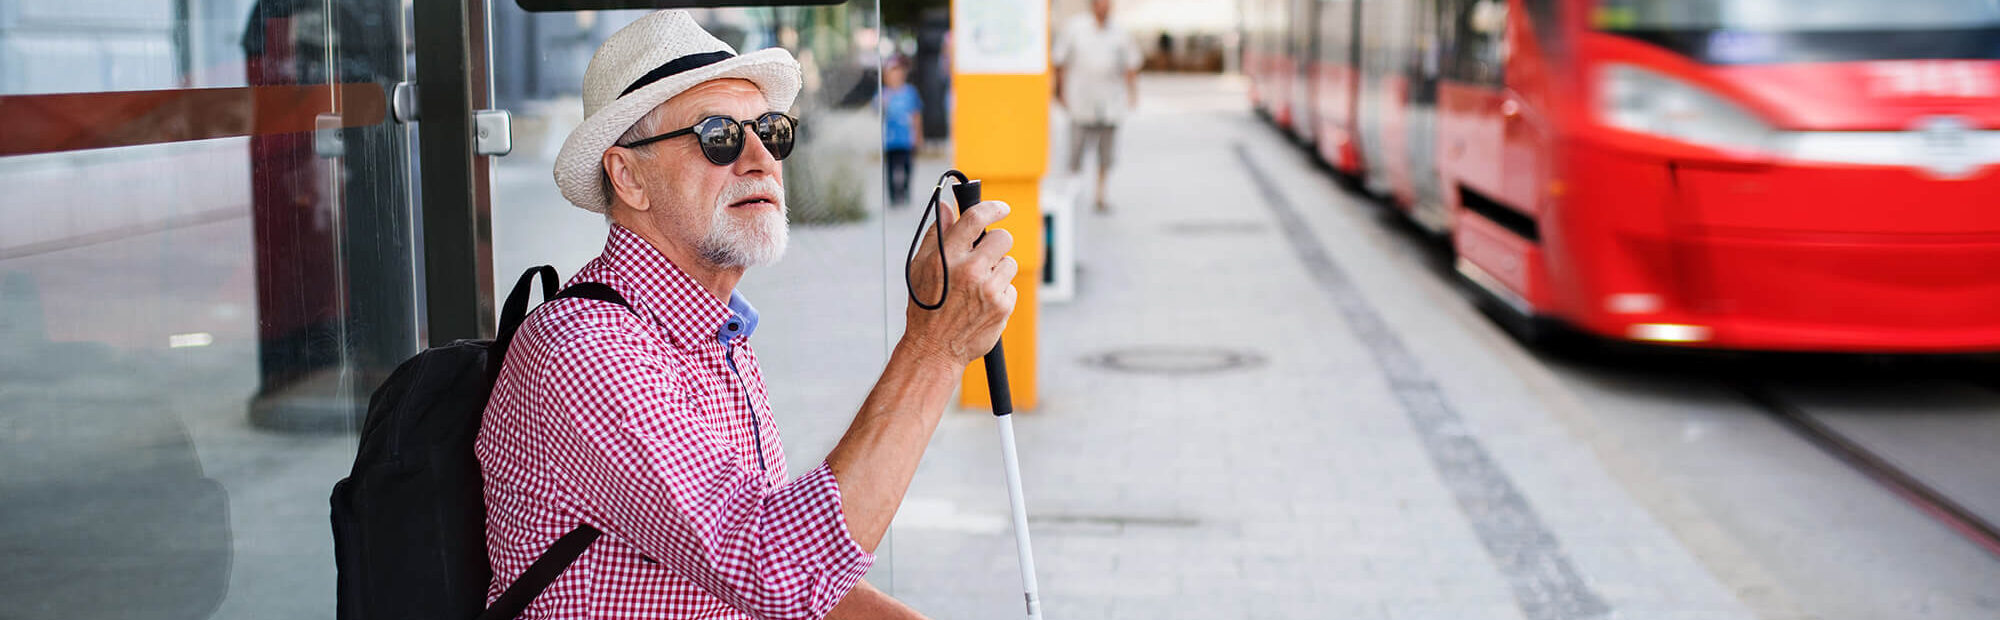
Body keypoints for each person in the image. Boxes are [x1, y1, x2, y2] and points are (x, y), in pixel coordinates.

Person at [477, 10, 1018, 619]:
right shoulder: (585, 352)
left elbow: (780, 570)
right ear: (627, 176)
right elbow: (773, 570)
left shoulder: (714, 333)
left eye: (772, 130)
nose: (761, 157)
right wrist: (934, 348)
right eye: (718, 137)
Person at [1052, 0, 1142, 213]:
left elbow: (1131, 66)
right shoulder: (1075, 28)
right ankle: (1072, 194)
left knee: (1106, 153)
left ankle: (1101, 194)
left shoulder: (1121, 32)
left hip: (1110, 102)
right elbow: (1060, 63)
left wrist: (1133, 94)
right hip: (1081, 100)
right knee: (1076, 151)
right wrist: (1060, 92)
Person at [880, 57, 923, 206]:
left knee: (907, 167)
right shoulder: (884, 93)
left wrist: (918, 135)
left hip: (906, 138)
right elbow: (877, 111)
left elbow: (916, 114)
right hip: (890, 140)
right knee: (891, 168)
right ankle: (893, 196)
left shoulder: (910, 93)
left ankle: (905, 192)